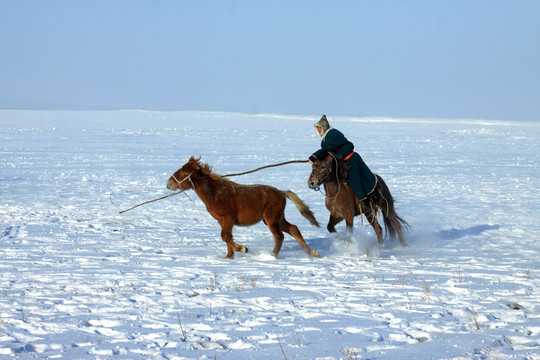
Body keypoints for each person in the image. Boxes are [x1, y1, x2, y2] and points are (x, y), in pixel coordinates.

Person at [309, 115, 376, 201]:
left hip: (350, 159)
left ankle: (363, 198)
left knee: (353, 178)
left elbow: (329, 148)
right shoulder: (325, 138)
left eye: (319, 128)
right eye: (317, 128)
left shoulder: (332, 133)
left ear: (324, 127)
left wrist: (314, 156)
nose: (318, 130)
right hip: (340, 161)